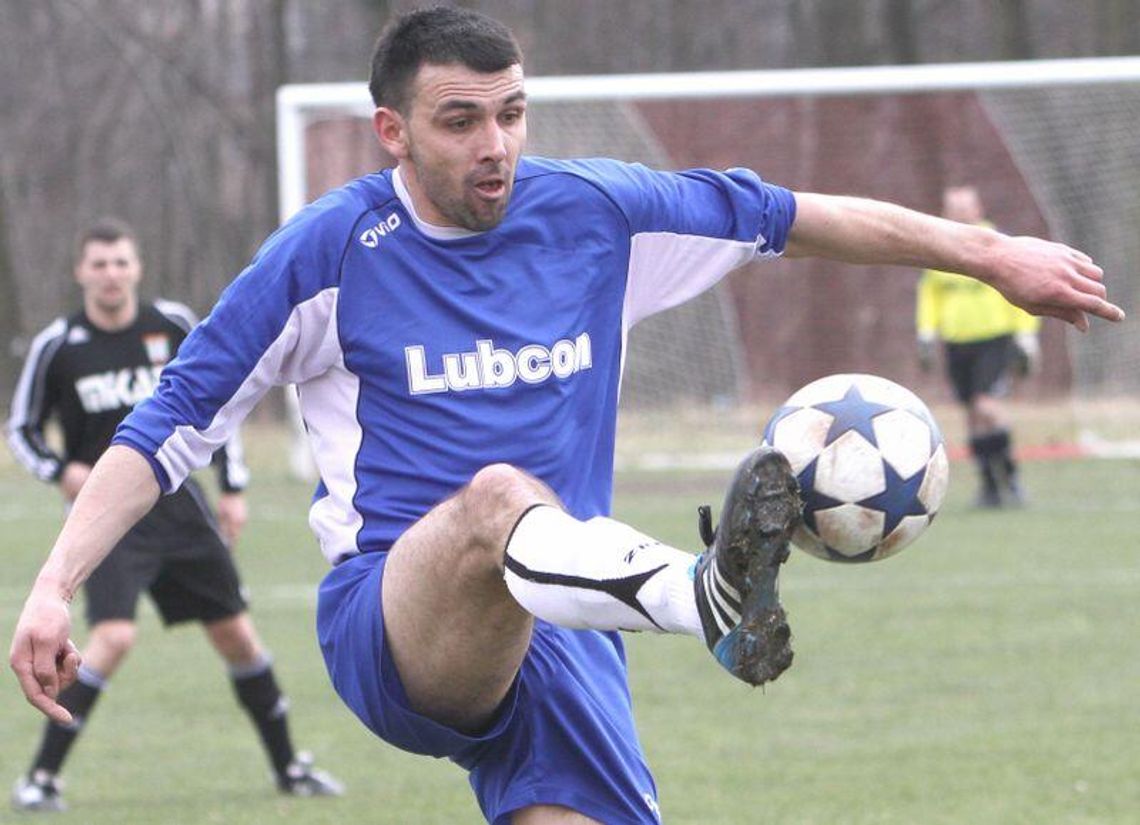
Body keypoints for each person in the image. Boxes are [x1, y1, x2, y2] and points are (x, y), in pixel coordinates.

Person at [9, 8, 1123, 824]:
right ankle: (710, 597)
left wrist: (986, 255)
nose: (495, 144)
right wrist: (54, 585)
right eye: (459, 122)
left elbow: (794, 214)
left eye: (511, 113)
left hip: (572, 622)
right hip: (397, 617)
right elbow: (165, 431)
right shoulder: (327, 255)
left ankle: (691, 597)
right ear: (391, 133)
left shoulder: (593, 214)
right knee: (498, 497)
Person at [5, 218, 343, 812]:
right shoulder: (59, 345)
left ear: (137, 268)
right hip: (108, 520)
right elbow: (22, 429)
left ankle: (290, 767)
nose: (111, 274)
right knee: (113, 635)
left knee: (237, 635)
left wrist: (233, 489)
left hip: (181, 509)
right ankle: (42, 778)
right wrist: (62, 471)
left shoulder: (173, 325)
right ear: (82, 272)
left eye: (121, 262)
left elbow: (226, 400)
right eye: (100, 264)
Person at [916, 185, 1042, 508]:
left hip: (994, 339)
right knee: (972, 413)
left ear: (978, 209)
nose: (959, 214)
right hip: (957, 342)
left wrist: (1026, 335)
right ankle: (988, 484)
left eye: (964, 208)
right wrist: (927, 332)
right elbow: (930, 294)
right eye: (952, 209)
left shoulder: (998, 244)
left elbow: (1021, 289)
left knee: (987, 406)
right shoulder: (940, 249)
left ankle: (1010, 477)